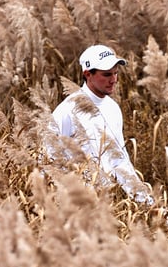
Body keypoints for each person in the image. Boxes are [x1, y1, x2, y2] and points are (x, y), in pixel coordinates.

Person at [50, 44, 154, 205]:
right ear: (87, 74)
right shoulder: (67, 110)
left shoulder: (113, 108)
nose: (113, 80)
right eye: (106, 75)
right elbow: (50, 158)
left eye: (116, 73)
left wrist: (145, 201)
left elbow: (119, 159)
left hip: (110, 202)